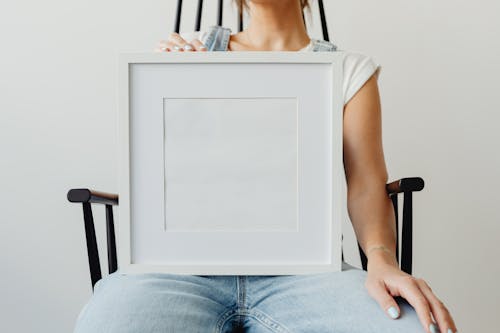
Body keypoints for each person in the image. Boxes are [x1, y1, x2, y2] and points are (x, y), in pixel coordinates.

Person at [75, 1, 458, 332]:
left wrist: (381, 258)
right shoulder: (190, 53)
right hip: (179, 272)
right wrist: (164, 78)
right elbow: (159, 174)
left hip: (307, 279)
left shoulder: (348, 70)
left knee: (410, 326)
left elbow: (364, 184)